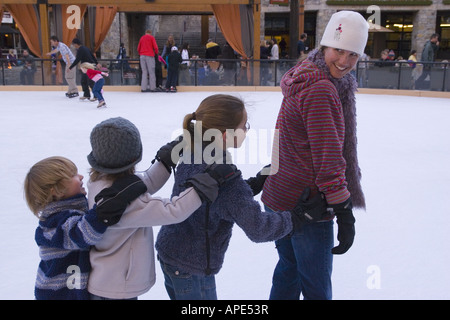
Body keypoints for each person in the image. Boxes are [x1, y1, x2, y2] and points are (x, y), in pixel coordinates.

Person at [155, 94, 331, 300]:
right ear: (224, 135)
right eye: (244, 125)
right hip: (192, 268)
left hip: (171, 253)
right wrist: (300, 216)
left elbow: (214, 201)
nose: (247, 130)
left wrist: (256, 182)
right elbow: (259, 228)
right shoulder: (224, 177)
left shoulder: (192, 149)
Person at [261, 10, 368, 300]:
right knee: (316, 287)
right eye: (338, 50)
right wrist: (345, 213)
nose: (344, 62)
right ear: (324, 46)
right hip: (308, 207)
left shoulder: (304, 75)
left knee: (289, 268)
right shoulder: (320, 89)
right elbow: (328, 160)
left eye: (353, 55)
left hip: (281, 197)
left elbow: (287, 137)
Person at [85, 117, 238, 300]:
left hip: (112, 282)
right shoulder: (120, 205)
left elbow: (146, 182)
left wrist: (166, 161)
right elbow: (174, 210)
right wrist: (204, 186)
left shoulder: (102, 183)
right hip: (115, 288)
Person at [24, 156, 147, 300]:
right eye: (73, 175)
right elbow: (82, 234)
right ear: (56, 190)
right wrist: (105, 208)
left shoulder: (73, 210)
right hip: (59, 294)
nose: (81, 176)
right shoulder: (52, 226)